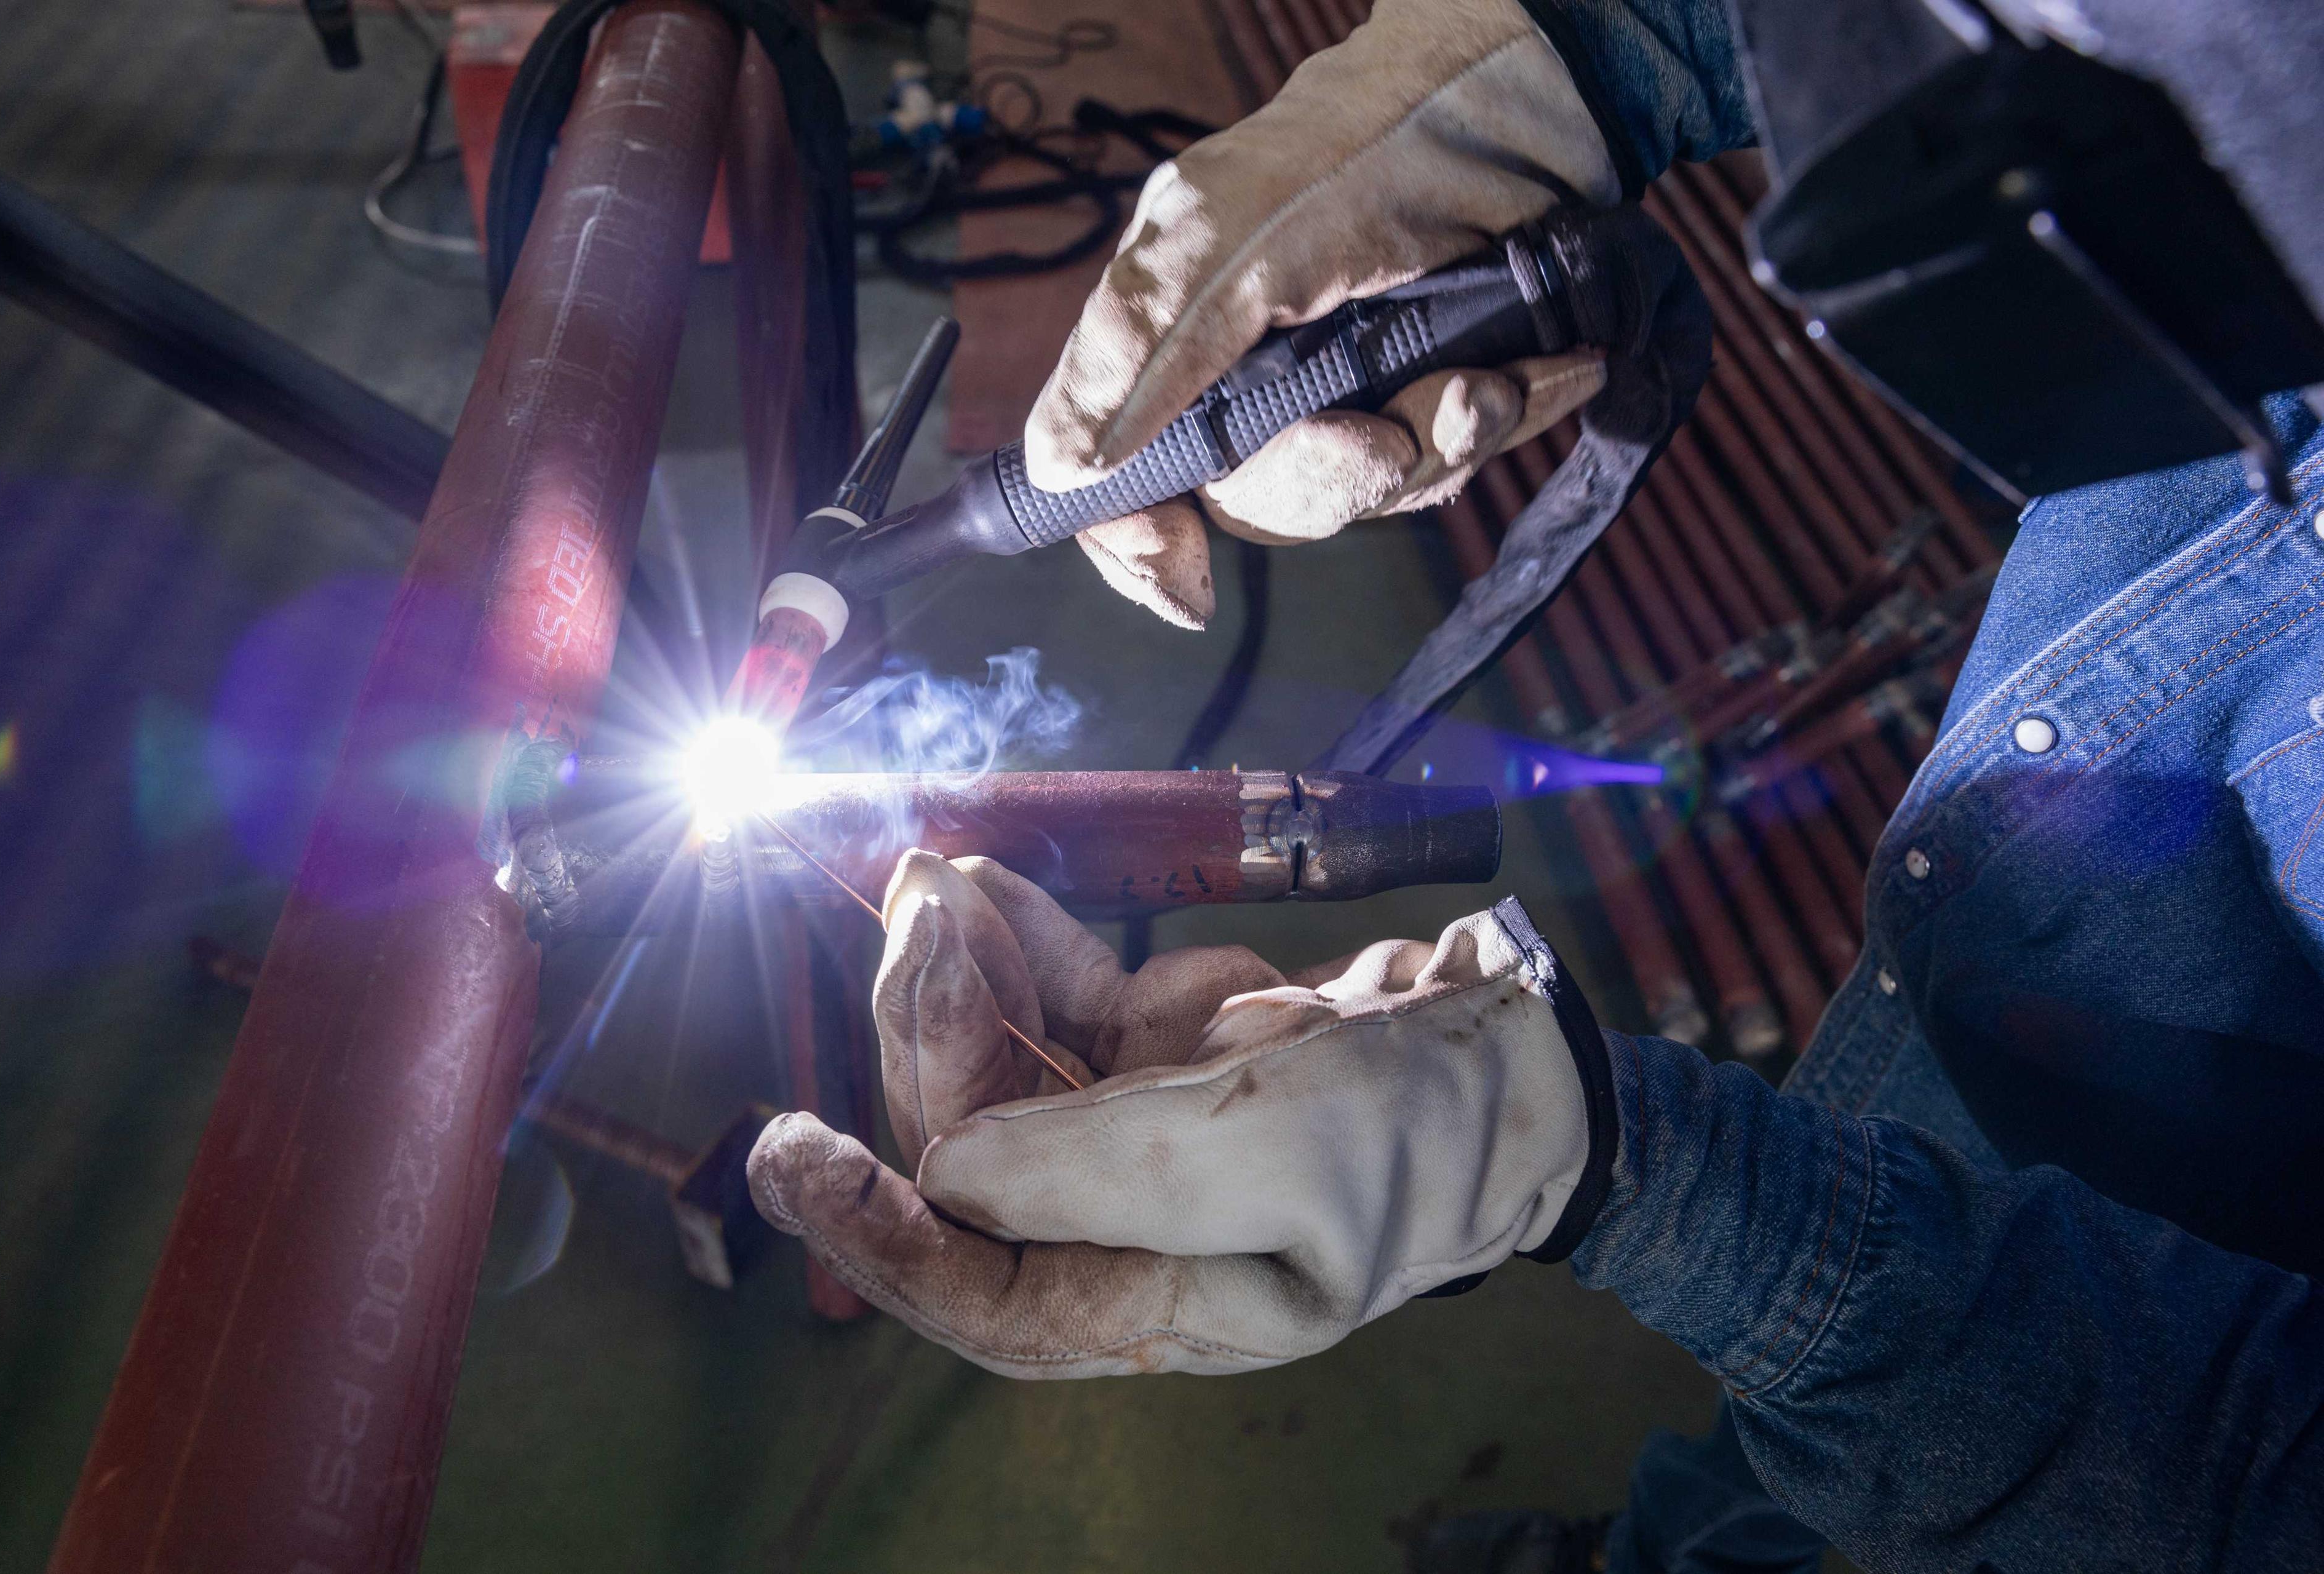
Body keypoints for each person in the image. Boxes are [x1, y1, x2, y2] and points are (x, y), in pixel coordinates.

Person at [747, 0, 2324, 1567]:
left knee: (1901, 1414)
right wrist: (1584, 60)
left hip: (2145, 1407)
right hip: (1999, 1047)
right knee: (1791, 1428)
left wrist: (1618, 1166)